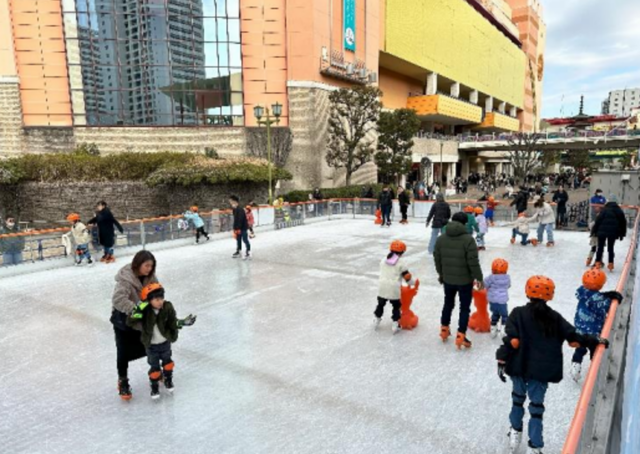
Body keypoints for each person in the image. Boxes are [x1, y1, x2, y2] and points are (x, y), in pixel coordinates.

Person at [496, 275, 609, 454]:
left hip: (519, 366)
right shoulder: (555, 318)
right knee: (536, 408)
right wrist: (593, 340)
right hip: (541, 371)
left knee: (517, 400)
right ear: (550, 295)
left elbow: (512, 341)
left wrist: (502, 360)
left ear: (527, 292)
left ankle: (515, 432)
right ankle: (535, 446)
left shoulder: (517, 313)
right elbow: (574, 340)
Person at [127, 283, 196, 399]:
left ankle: (168, 379)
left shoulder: (167, 307)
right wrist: (138, 310)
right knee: (154, 368)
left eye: (161, 298)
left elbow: (172, 322)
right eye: (157, 299)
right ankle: (154, 386)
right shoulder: (145, 310)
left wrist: (182, 322)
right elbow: (130, 322)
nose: (160, 302)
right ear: (149, 301)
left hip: (165, 343)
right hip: (151, 346)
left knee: (168, 363)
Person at [111, 250, 158, 400]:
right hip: (124, 321)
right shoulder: (126, 279)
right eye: (147, 265)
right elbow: (118, 299)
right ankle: (123, 381)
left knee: (152, 346)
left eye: (151, 266)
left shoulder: (151, 278)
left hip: (143, 321)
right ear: (138, 264)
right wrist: (136, 309)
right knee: (123, 352)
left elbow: (157, 294)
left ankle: (156, 371)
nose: (149, 269)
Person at [434, 212, 484, 349]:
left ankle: (444, 329)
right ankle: (461, 335)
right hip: (465, 281)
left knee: (448, 303)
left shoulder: (441, 239)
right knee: (464, 308)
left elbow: (437, 259)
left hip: (448, 279)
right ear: (465, 223)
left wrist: (441, 274)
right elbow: (473, 262)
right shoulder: (468, 240)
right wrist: (479, 278)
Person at [570, 269, 623, 382]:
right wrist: (611, 299)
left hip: (580, 328)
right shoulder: (598, 300)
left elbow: (593, 297)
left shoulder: (582, 291)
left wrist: (605, 295)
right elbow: (604, 307)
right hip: (592, 331)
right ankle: (594, 372)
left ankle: (575, 365)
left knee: (580, 348)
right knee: (594, 349)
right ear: (600, 285)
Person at [374, 240, 416, 334]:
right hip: (394, 288)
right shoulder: (401, 262)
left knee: (381, 304)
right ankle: (395, 323)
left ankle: (377, 318)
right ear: (402, 252)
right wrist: (413, 283)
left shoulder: (384, 259)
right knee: (396, 306)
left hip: (382, 286)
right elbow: (407, 277)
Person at [592, 194, 627, 271]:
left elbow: (598, 220)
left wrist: (594, 231)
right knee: (610, 248)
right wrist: (622, 233)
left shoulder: (604, 209)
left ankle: (597, 263)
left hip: (602, 231)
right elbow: (623, 222)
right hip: (613, 232)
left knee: (600, 248)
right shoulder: (619, 210)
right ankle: (611, 264)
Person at [484, 258, 511, 338]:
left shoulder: (491, 277)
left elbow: (484, 284)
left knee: (495, 313)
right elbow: (508, 286)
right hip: (502, 302)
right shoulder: (507, 278)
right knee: (504, 315)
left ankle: (493, 327)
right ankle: (504, 328)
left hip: (493, 301)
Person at [230, 195, 251, 259]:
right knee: (238, 240)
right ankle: (238, 251)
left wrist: (238, 228)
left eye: (231, 201)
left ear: (235, 201)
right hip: (237, 228)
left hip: (243, 228)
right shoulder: (234, 209)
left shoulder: (240, 209)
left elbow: (240, 219)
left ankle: (248, 251)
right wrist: (235, 228)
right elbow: (235, 219)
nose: (230, 203)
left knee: (245, 239)